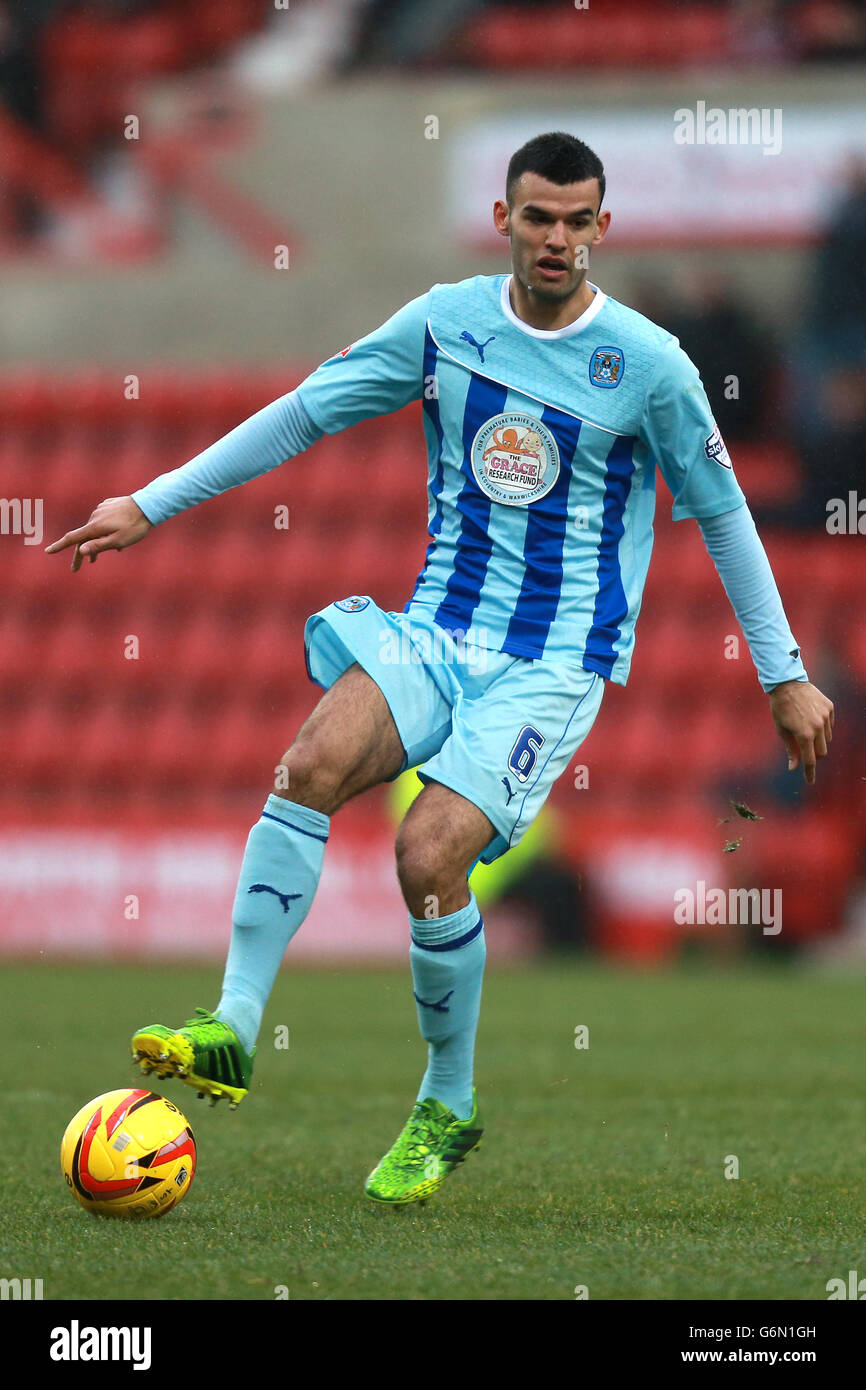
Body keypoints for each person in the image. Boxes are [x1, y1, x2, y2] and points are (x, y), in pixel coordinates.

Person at [45, 131, 834, 1207]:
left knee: (426, 857)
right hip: (435, 630)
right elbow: (304, 411)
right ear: (505, 219)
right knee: (308, 763)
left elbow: (724, 514)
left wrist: (782, 673)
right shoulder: (443, 324)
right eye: (536, 217)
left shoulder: (647, 366)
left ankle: (447, 1098)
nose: (555, 238)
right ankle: (231, 1025)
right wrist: (150, 501)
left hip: (551, 662)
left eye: (575, 220)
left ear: (601, 228)